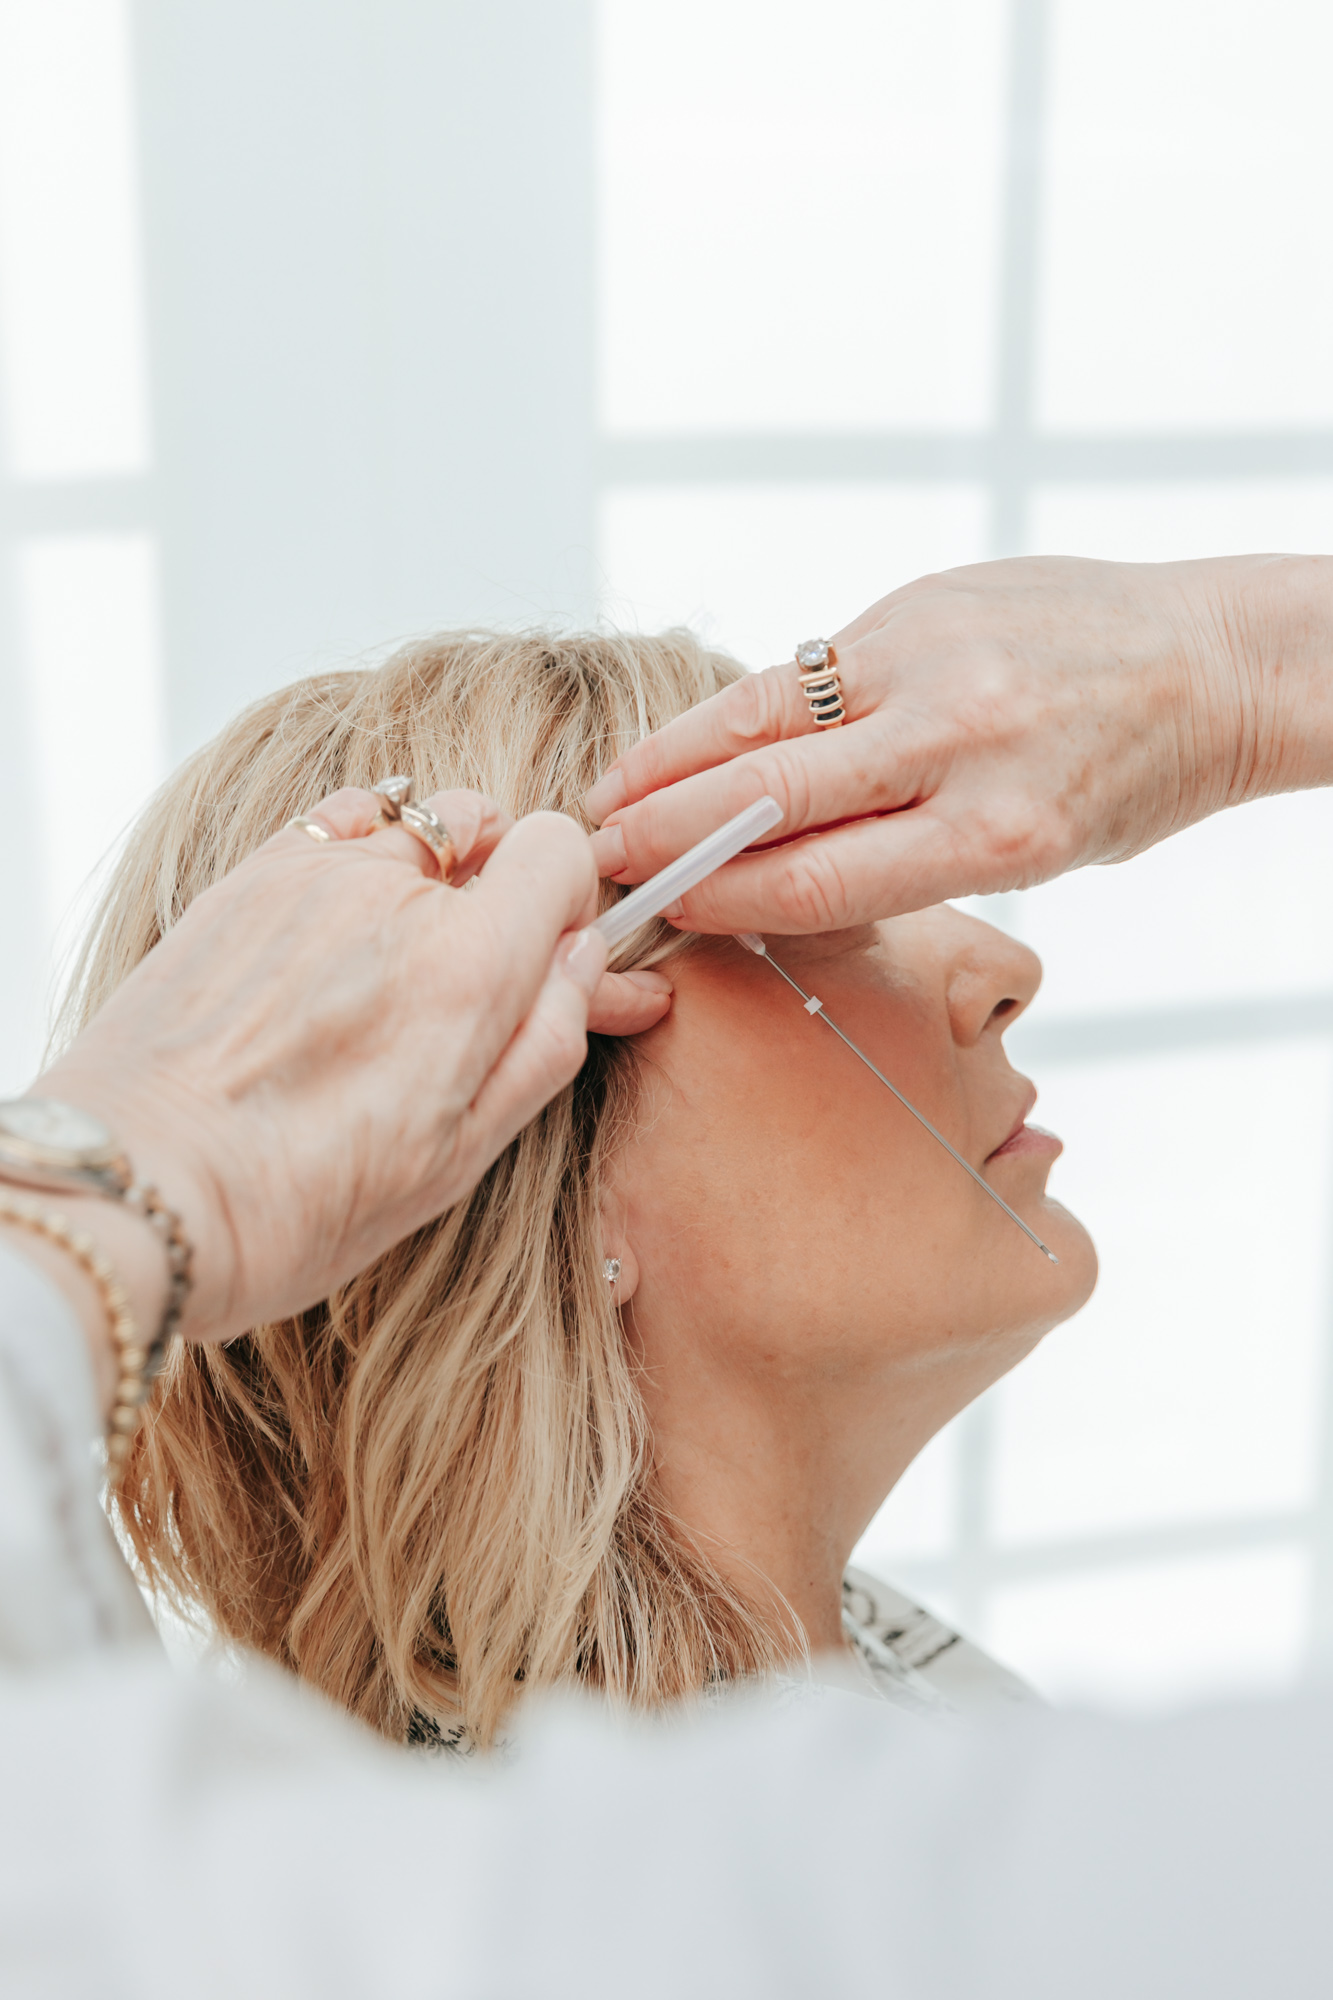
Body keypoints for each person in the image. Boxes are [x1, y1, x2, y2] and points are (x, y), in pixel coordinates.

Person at [4, 556, 1333, 1997]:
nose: (1000, 959)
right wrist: (1231, 674)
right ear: (515, 1166)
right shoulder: (544, 1929)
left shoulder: (871, 1746)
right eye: (821, 910)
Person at [57, 627, 1091, 1748]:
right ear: (539, 1175)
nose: (1001, 968)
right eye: (814, 911)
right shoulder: (556, 1894)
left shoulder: (855, 1672)